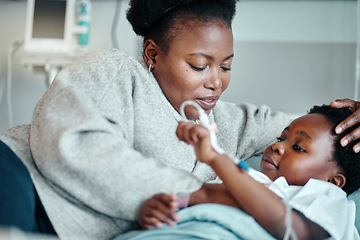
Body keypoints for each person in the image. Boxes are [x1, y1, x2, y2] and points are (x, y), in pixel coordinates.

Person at [0, 0, 360, 239]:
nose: (216, 81)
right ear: (153, 54)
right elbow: (73, 147)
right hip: (22, 179)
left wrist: (354, 116)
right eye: (199, 65)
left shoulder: (226, 122)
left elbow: (313, 134)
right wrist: (199, 193)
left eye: (226, 65)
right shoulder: (115, 71)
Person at [135, 105, 360, 240]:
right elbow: (203, 195)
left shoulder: (329, 199)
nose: (277, 146)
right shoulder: (251, 179)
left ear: (334, 180)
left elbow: (292, 230)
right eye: (281, 138)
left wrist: (216, 158)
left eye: (298, 147)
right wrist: (163, 206)